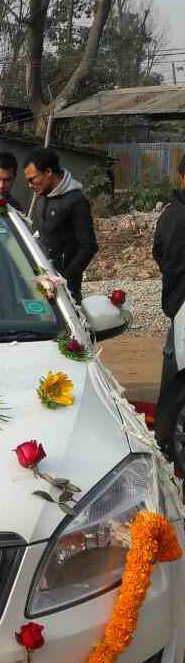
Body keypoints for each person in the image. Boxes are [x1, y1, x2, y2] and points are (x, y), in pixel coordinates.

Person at [24, 149, 98, 301]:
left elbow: (89, 246)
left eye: (32, 179)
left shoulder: (76, 201)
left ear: (48, 172)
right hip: (41, 277)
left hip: (64, 287)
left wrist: (64, 278)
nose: (30, 185)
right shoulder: (43, 196)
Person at [152, 155, 185, 451]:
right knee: (177, 379)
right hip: (182, 307)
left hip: (178, 306)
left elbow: (158, 253)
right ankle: (166, 443)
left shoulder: (170, 213)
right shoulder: (176, 216)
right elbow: (166, 258)